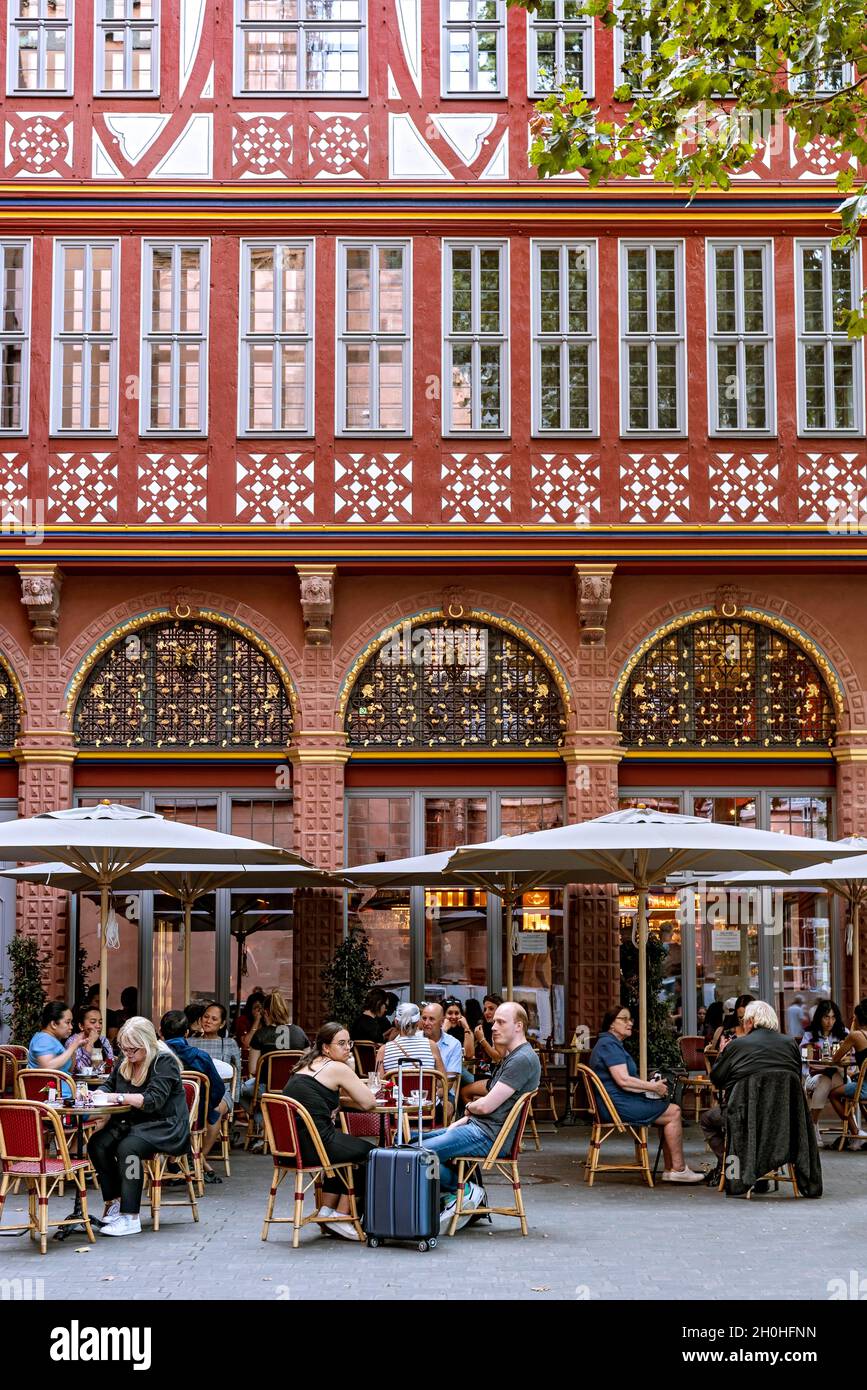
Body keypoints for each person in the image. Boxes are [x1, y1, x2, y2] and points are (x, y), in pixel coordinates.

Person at [421, 1002, 542, 1231]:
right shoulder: (513, 1057)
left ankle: (463, 1190)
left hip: (489, 1136)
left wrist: (468, 1110)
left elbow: (486, 1106)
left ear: (518, 1026)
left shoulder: (522, 1059)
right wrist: (468, 1115)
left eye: (500, 1022)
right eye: (494, 1021)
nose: (493, 1026)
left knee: (420, 1154)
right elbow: (486, 1105)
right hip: (480, 1128)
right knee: (410, 1141)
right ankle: (452, 1191)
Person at [87, 1016, 191, 1237]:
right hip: (133, 1122)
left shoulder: (164, 1062)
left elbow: (153, 1101)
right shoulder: (124, 1061)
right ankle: (113, 1202)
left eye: (133, 1049)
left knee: (128, 1148)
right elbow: (109, 1084)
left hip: (164, 1125)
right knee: (97, 1144)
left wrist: (117, 1097)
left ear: (147, 1043)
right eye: (124, 1049)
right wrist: (97, 1094)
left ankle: (130, 1215)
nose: (128, 1054)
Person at [283, 1023, 378, 1241]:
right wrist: (350, 1068)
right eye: (342, 1044)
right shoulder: (337, 1068)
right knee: (373, 1155)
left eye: (349, 1043)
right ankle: (342, 1216)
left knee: (348, 1151)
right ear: (326, 1048)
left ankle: (326, 1210)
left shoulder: (305, 1065)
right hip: (318, 1145)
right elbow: (368, 1102)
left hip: (294, 1146)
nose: (348, 1049)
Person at [590, 1006, 703, 1183]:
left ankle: (670, 1168)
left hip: (615, 1103)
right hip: (617, 1106)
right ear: (611, 1024)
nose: (630, 1023)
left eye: (630, 1019)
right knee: (673, 1112)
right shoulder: (609, 1045)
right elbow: (624, 1081)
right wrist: (654, 1088)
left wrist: (649, 1085)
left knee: (666, 1110)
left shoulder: (608, 1044)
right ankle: (678, 1168)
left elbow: (625, 1082)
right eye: (624, 1019)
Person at [701, 999, 804, 1182]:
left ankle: (735, 1170)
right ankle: (762, 1170)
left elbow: (716, 1078)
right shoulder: (790, 1044)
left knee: (708, 1119)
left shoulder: (737, 1045)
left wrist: (724, 1057)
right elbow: (796, 1077)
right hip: (783, 1119)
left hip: (743, 1117)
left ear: (750, 1022)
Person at [160, 1010, 229, 1183]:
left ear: (161, 1032)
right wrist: (204, 1107)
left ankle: (171, 1163)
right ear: (187, 1033)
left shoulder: (152, 1056)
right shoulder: (201, 1057)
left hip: (158, 1116)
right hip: (194, 1117)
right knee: (213, 1112)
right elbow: (217, 1089)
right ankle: (196, 1161)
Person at [241, 991, 308, 1105]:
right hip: (294, 1088)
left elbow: (253, 1070)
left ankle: (261, 1120)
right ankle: (268, 1119)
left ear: (266, 1013)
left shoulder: (261, 1034)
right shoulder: (300, 1032)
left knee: (239, 1092)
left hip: (266, 1089)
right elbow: (307, 1064)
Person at [802, 1000, 851, 1142]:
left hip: (839, 1075)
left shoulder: (843, 1033)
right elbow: (808, 1059)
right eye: (826, 1017)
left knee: (828, 1081)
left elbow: (849, 1058)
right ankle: (852, 1130)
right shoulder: (810, 1034)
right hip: (813, 1076)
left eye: (833, 1017)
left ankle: (812, 1125)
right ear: (819, 1017)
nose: (830, 1022)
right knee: (824, 1081)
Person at [825, 1002, 867, 1148]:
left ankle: (855, 1132)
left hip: (864, 1088)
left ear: (857, 1018)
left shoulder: (856, 1035)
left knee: (833, 1094)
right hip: (863, 1083)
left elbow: (836, 1058)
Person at [378, 1002, 445, 1078]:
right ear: (418, 1022)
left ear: (396, 1022)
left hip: (397, 1090)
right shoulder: (432, 1046)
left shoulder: (383, 1051)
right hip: (425, 1090)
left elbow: (379, 1084)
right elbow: (442, 1082)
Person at [197, 1001, 242, 1104]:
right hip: (197, 1090)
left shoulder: (229, 1043)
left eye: (214, 1019)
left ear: (222, 1024)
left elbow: (238, 1072)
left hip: (222, 1092)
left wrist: (235, 1100)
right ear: (200, 1019)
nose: (208, 1021)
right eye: (206, 1017)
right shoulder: (190, 1042)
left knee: (215, 1110)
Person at [27, 1001, 82, 1073]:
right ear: (54, 1024)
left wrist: (74, 1048)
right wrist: (72, 1047)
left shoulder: (51, 1039)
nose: (71, 1027)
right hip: (50, 1084)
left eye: (71, 1023)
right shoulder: (43, 1039)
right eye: (67, 1022)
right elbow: (46, 1067)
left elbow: (69, 1070)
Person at [71, 1004, 115, 1075]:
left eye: (100, 1022)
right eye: (93, 1022)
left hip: (100, 1082)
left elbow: (111, 1064)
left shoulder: (103, 1040)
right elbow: (81, 1071)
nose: (98, 1026)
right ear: (81, 1026)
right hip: (80, 1084)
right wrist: (90, 1043)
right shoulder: (73, 1041)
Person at [473, 993, 502, 1078]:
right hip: (489, 1072)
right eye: (485, 1009)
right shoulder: (489, 1028)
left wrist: (482, 1040)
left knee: (463, 1089)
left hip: (498, 1076)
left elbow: (498, 1059)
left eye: (491, 1009)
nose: (486, 1012)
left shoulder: (501, 1030)